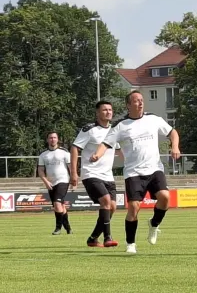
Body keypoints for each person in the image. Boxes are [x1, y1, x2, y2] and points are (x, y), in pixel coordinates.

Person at [91, 90, 181, 255]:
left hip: (155, 168)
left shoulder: (153, 119)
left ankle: (154, 224)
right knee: (133, 207)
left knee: (165, 198)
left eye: (141, 100)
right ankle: (130, 244)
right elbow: (105, 143)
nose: (140, 103)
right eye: (136, 101)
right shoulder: (121, 126)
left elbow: (172, 132)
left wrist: (175, 146)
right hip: (133, 173)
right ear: (128, 105)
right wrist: (97, 154)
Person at [70, 100, 124, 248]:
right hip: (91, 173)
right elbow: (75, 148)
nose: (108, 112)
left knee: (112, 206)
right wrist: (74, 173)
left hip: (108, 176)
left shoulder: (114, 131)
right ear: (98, 113)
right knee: (106, 201)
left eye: (110, 110)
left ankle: (93, 238)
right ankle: (108, 238)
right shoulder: (89, 129)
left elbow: (119, 150)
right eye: (105, 110)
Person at [38, 131, 72, 235]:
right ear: (47, 140)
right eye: (50, 138)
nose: (53, 139)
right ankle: (68, 228)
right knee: (60, 205)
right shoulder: (43, 155)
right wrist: (46, 182)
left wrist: (74, 179)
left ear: (57, 139)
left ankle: (58, 228)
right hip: (51, 183)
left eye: (54, 137)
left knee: (57, 204)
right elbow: (40, 170)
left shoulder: (64, 152)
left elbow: (71, 167)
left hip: (63, 181)